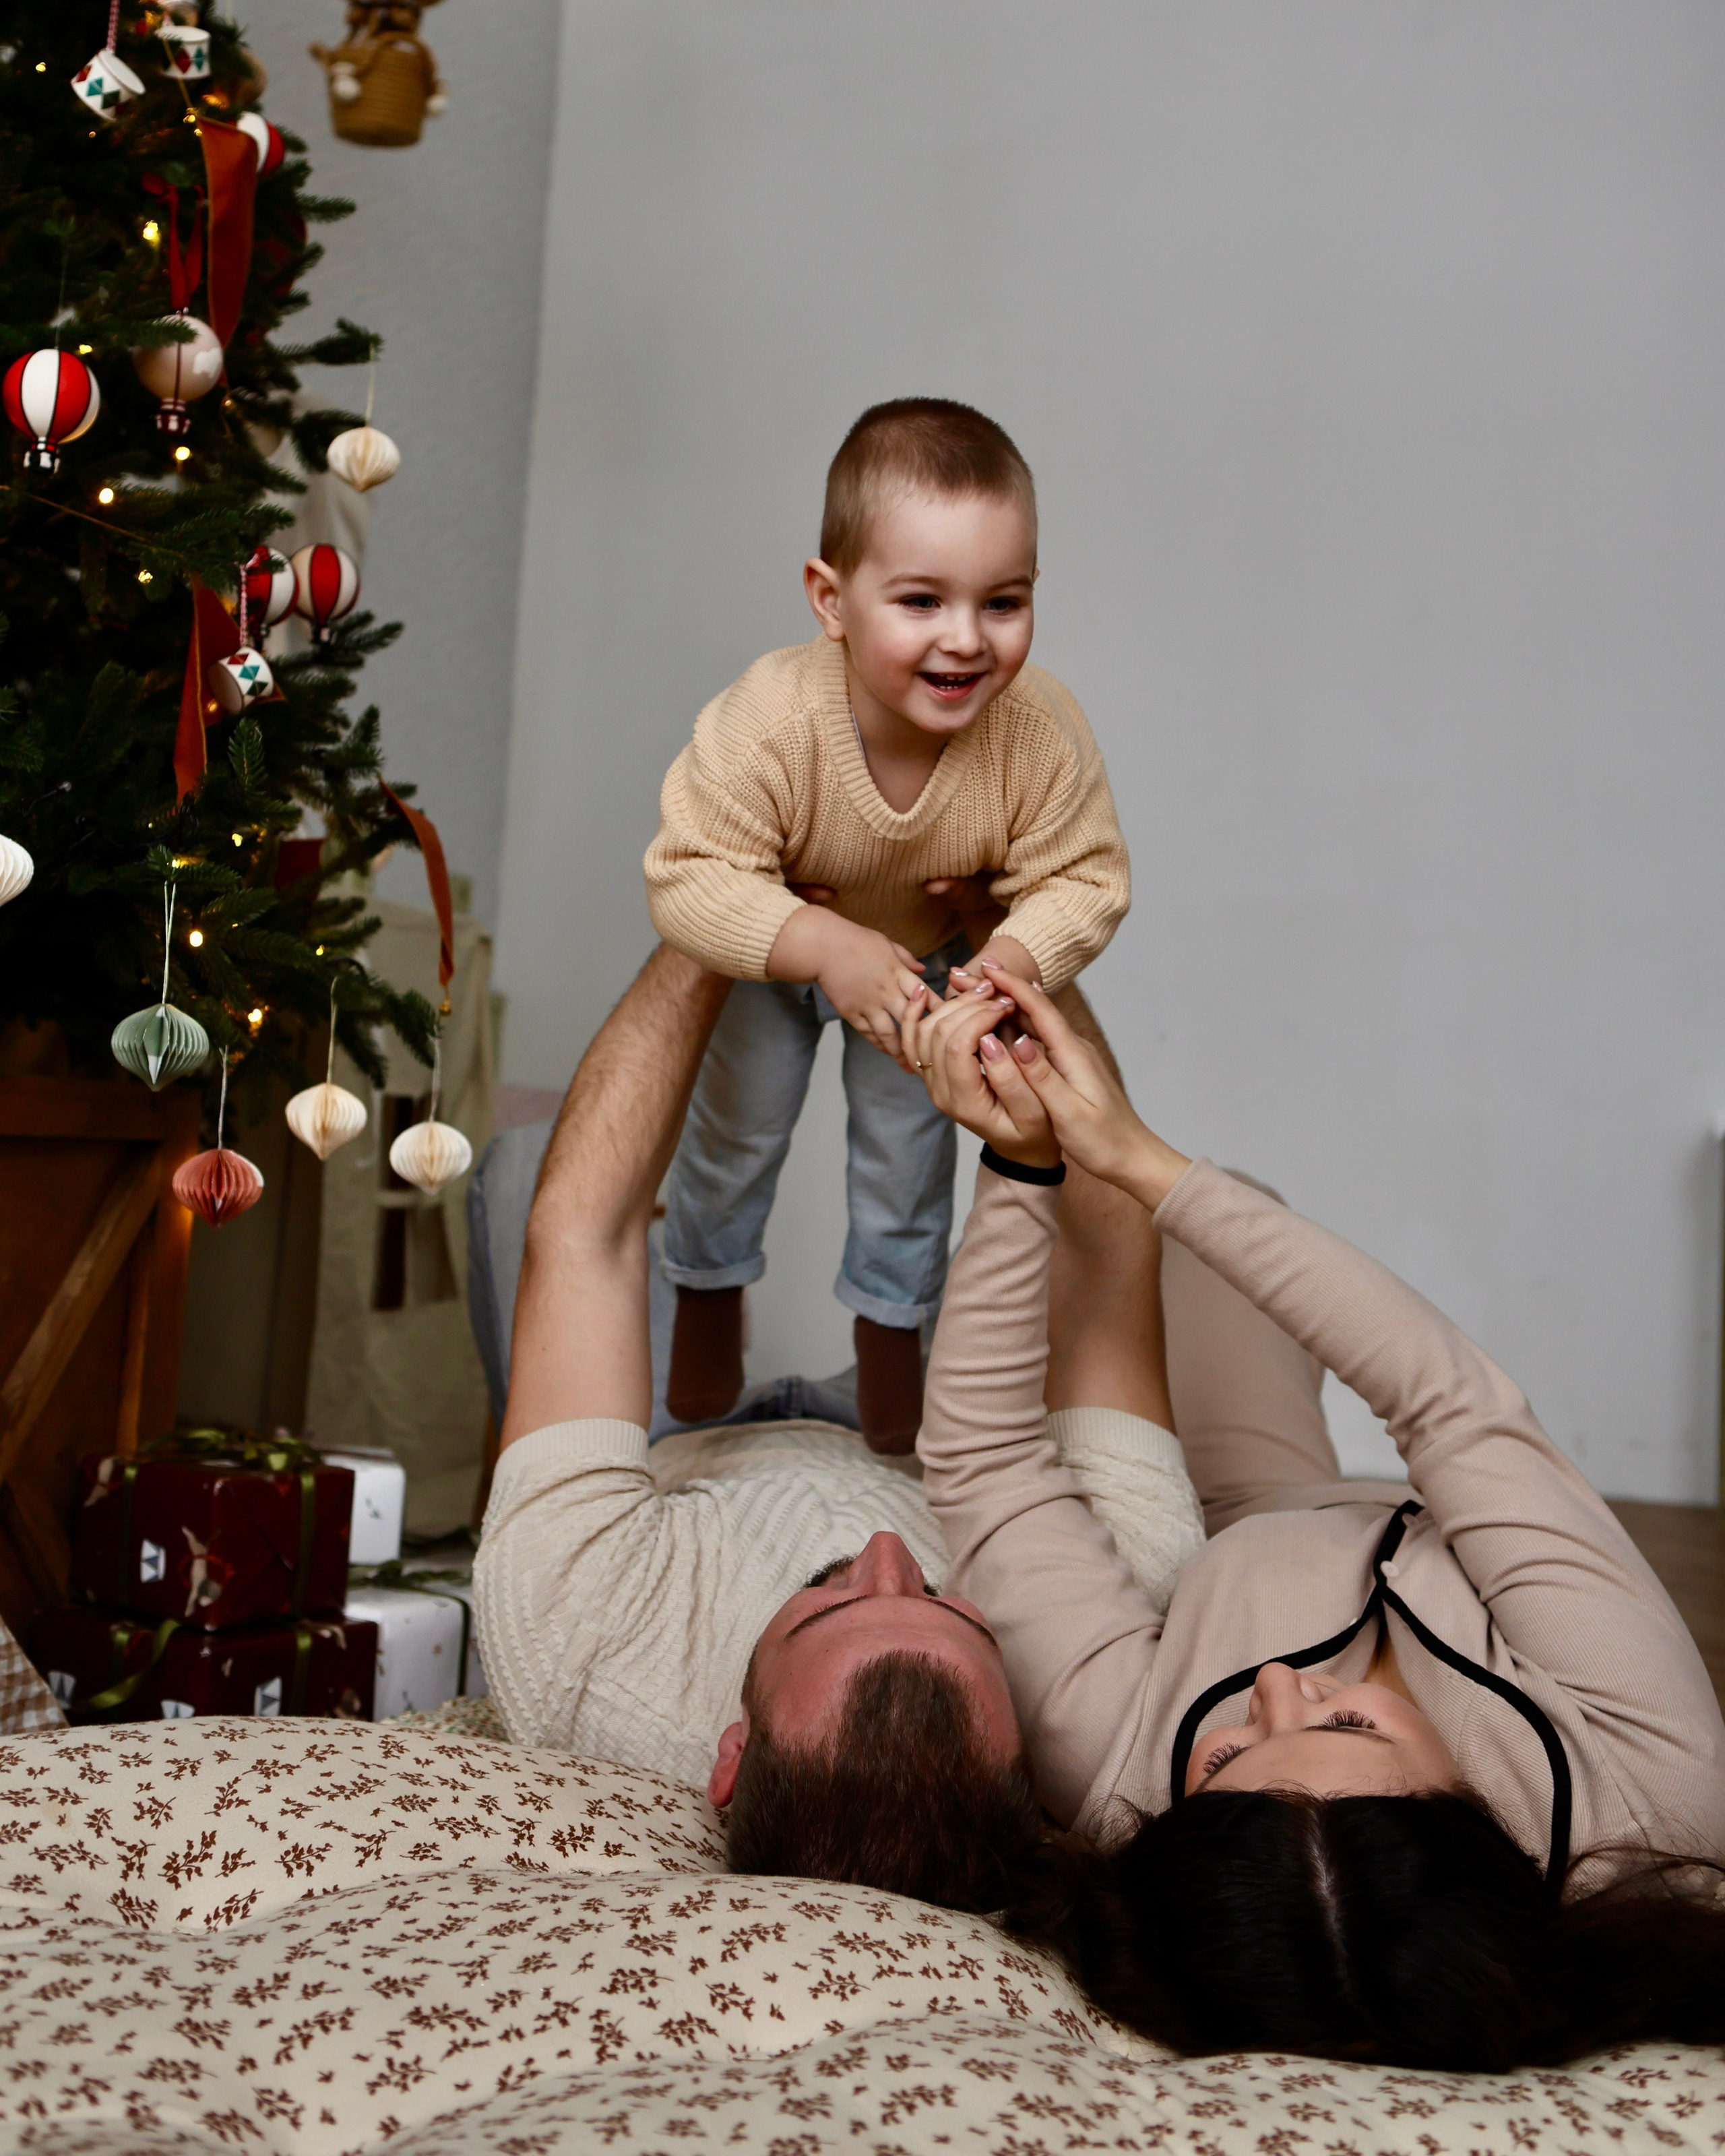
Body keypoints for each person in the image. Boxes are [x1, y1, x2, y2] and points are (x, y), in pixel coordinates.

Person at [904, 963, 1725, 2070]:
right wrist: (1148, 1161)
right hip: (1383, 1503)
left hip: (1236, 1528)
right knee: (1217, 1200)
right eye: (1348, 1728)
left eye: (1230, 1752)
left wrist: (1016, 1164)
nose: (1276, 1692)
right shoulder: (1656, 1797)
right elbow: (1450, 1408)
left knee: (1134, 1225)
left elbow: (985, 1459)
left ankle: (992, 957)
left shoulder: (1121, 1779)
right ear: (1484, 1822)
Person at [470, 942, 1205, 1907]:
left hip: (668, 1465)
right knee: (1185, 1224)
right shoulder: (1118, 1635)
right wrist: (1015, 951)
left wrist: (726, 920)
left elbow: (584, 1234)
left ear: (729, 1757)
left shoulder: (589, 1657)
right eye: (953, 1609)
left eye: (835, 1601)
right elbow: (1111, 1264)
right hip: (929, 1438)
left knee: (530, 1166)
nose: (889, 1547)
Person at [643, 398, 1129, 1452]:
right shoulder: (771, 718)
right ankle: (709, 1293)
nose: (966, 639)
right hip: (780, 947)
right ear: (832, 600)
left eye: (1004, 602)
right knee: (736, 1131)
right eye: (922, 601)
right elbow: (686, 875)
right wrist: (819, 945)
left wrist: (1004, 958)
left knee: (908, 1157)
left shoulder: (1036, 730)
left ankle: (889, 1342)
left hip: (935, 958)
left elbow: (1084, 878)